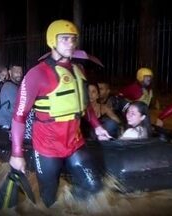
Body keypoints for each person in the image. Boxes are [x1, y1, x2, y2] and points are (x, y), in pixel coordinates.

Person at [8, 19, 111, 208]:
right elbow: (19, 116)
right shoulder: (36, 75)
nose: (71, 44)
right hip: (47, 148)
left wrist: (97, 127)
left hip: (75, 143)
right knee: (49, 200)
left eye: (73, 39)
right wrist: (16, 153)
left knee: (94, 187)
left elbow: (84, 104)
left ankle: (72, 202)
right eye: (64, 39)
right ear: (52, 41)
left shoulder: (78, 71)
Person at [0, 63, 23, 129]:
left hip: (9, 122)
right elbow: (17, 109)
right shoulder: (10, 87)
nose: (19, 74)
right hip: (5, 125)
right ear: (10, 72)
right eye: (16, 72)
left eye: (20, 72)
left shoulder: (14, 85)